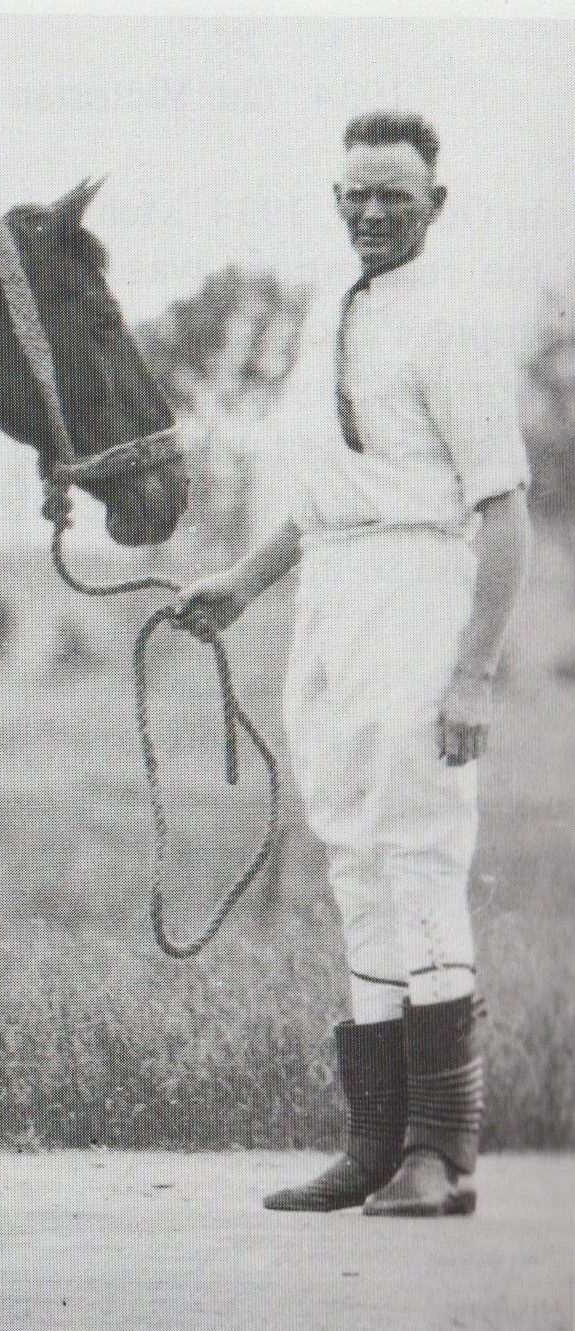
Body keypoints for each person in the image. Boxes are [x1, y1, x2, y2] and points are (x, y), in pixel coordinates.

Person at [177, 111, 532, 1218]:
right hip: (332, 603)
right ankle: (375, 1143)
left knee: (419, 855)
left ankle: (444, 1148)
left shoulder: (455, 326)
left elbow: (506, 516)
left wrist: (473, 672)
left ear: (436, 202)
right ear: (337, 199)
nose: (374, 210)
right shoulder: (341, 319)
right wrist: (240, 582)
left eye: (396, 193)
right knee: (356, 860)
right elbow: (322, 507)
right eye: (357, 193)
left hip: (421, 597)